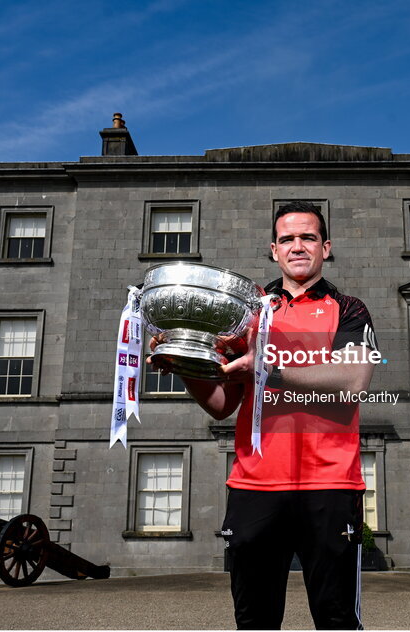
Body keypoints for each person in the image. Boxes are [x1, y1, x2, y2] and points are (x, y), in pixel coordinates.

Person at [150, 201, 377, 629]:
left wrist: (269, 369)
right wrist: (185, 365)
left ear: (325, 248)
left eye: (308, 237)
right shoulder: (248, 314)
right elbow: (221, 405)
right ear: (274, 250)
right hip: (255, 484)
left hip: (329, 484)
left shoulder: (349, 307)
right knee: (254, 620)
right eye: (287, 239)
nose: (297, 246)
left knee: (337, 619)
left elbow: (353, 380)